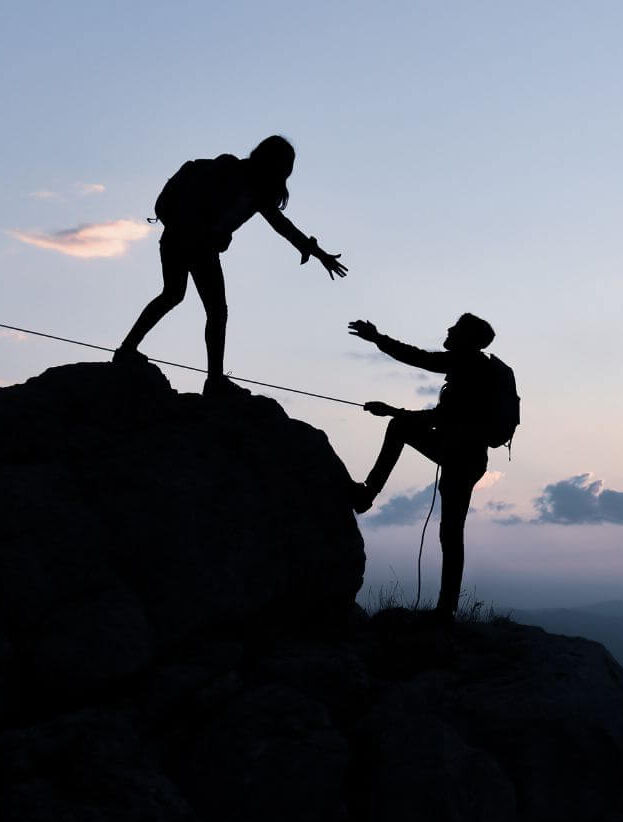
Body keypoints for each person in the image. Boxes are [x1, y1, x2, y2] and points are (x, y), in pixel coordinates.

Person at [115, 135, 347, 393]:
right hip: (197, 244)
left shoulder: (253, 188)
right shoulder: (235, 174)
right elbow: (271, 223)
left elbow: (282, 226)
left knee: (173, 295)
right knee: (214, 311)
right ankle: (214, 380)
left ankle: (127, 350)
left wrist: (316, 252)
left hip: (175, 238)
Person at [348, 313, 514, 620]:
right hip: (462, 454)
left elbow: (424, 374)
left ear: (467, 339)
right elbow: (440, 408)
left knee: (451, 531)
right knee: (451, 531)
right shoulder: (471, 367)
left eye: (456, 328)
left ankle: (446, 608)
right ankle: (446, 607)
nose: (449, 330)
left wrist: (378, 341)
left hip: (461, 457)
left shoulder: (468, 366)